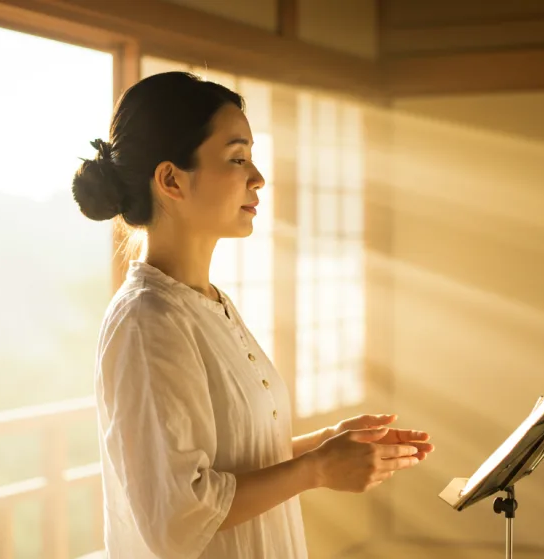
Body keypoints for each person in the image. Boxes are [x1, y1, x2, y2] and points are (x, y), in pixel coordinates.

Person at [71, 71, 435, 559]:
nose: (258, 177)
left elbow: (236, 464)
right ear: (171, 179)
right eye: (237, 158)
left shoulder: (209, 301)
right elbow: (177, 519)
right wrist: (318, 470)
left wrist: (328, 445)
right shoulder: (147, 321)